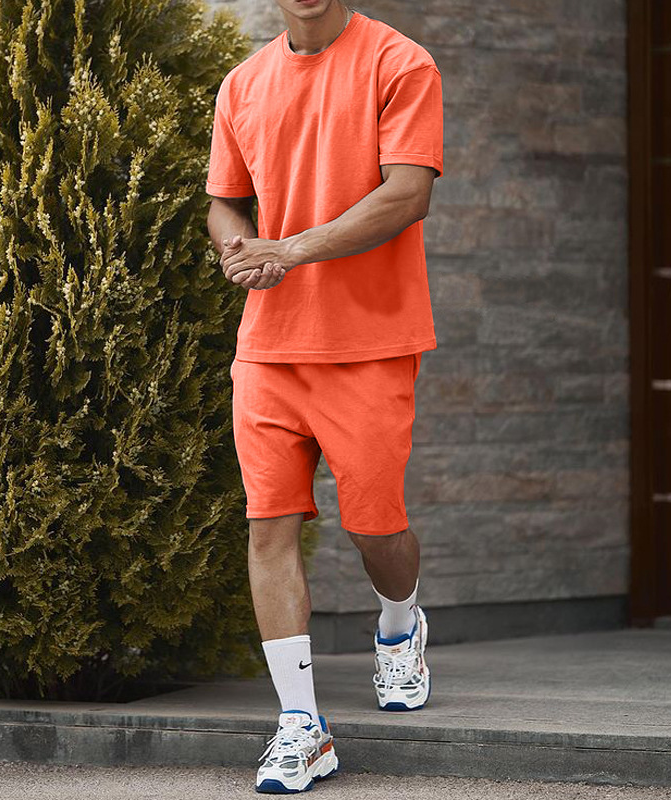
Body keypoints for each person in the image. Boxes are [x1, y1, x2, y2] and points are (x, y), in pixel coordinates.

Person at [205, 0, 443, 793]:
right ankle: (301, 727)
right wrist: (238, 249)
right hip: (268, 349)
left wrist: (292, 248)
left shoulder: (400, 63)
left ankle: (400, 624)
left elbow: (407, 193)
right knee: (268, 527)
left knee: (375, 525)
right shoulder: (243, 84)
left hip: (370, 345)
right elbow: (225, 199)